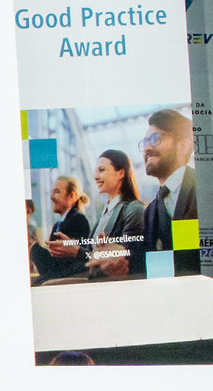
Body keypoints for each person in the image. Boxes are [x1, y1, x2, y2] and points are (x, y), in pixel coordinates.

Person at [136, 108, 198, 277]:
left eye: (155, 139)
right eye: (145, 142)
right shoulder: (151, 211)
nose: (147, 148)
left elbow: (190, 255)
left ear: (183, 145)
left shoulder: (202, 190)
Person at [83, 149, 143, 280]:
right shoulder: (104, 215)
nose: (96, 177)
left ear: (120, 173)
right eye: (96, 171)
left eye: (102, 170)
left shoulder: (134, 209)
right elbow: (90, 257)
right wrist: (74, 249)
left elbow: (131, 257)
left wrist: (76, 251)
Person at [31, 176, 92, 282]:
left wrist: (33, 248)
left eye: (57, 192)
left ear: (71, 196)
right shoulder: (58, 224)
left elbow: (64, 266)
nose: (52, 197)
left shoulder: (78, 220)